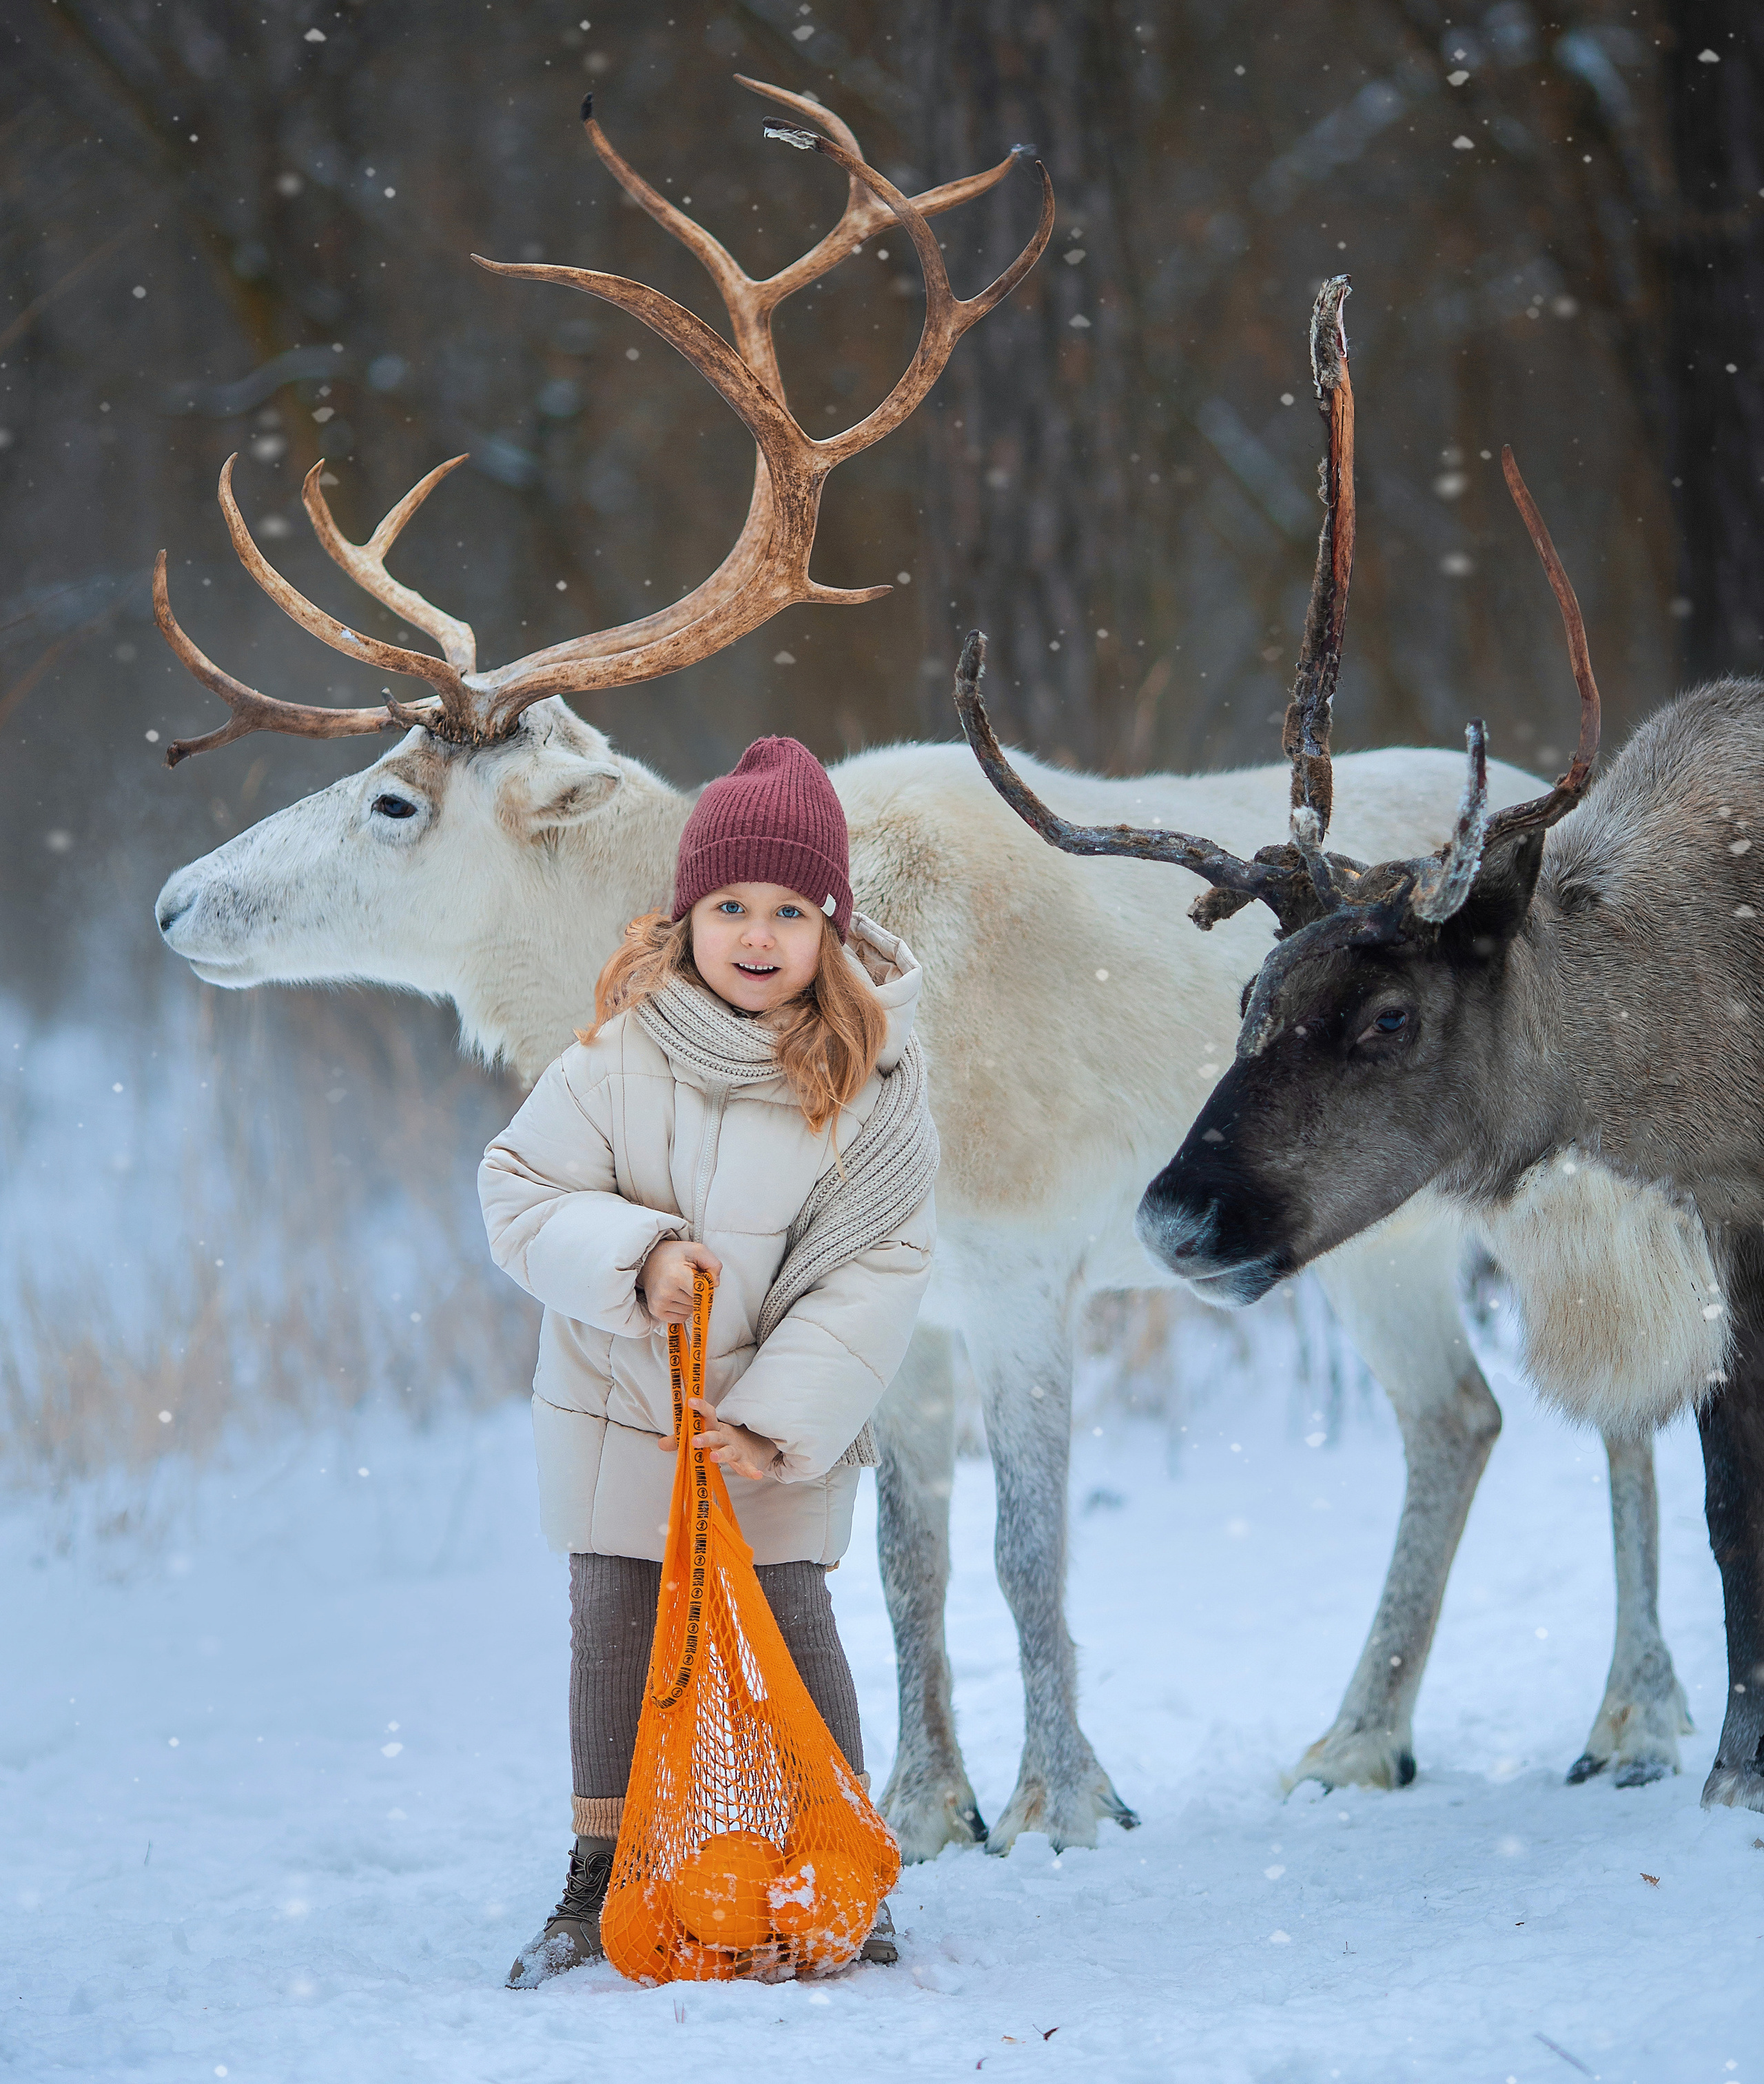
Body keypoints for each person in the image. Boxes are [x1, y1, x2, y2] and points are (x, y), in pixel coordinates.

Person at [479, 736, 938, 1987]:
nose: (756, 932)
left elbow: (880, 1264)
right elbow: (517, 1189)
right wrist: (635, 1258)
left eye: (790, 910)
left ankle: (832, 1866)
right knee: (621, 1629)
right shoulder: (620, 1054)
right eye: (729, 905)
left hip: (774, 1427)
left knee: (791, 1627)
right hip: (624, 1409)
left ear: (831, 927)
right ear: (686, 919)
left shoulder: (869, 1080)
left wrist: (779, 1417)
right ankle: (597, 1881)